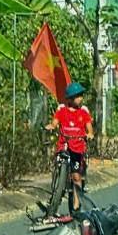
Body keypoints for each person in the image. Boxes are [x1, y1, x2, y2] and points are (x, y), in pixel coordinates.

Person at [44, 82, 94, 211]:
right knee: (58, 165)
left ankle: (76, 205)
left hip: (77, 148)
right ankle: (57, 190)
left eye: (81, 95)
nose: (80, 98)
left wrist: (89, 134)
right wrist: (51, 126)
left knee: (76, 176)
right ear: (70, 98)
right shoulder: (62, 111)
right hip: (64, 146)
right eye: (77, 96)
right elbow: (54, 123)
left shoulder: (83, 112)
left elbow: (89, 129)